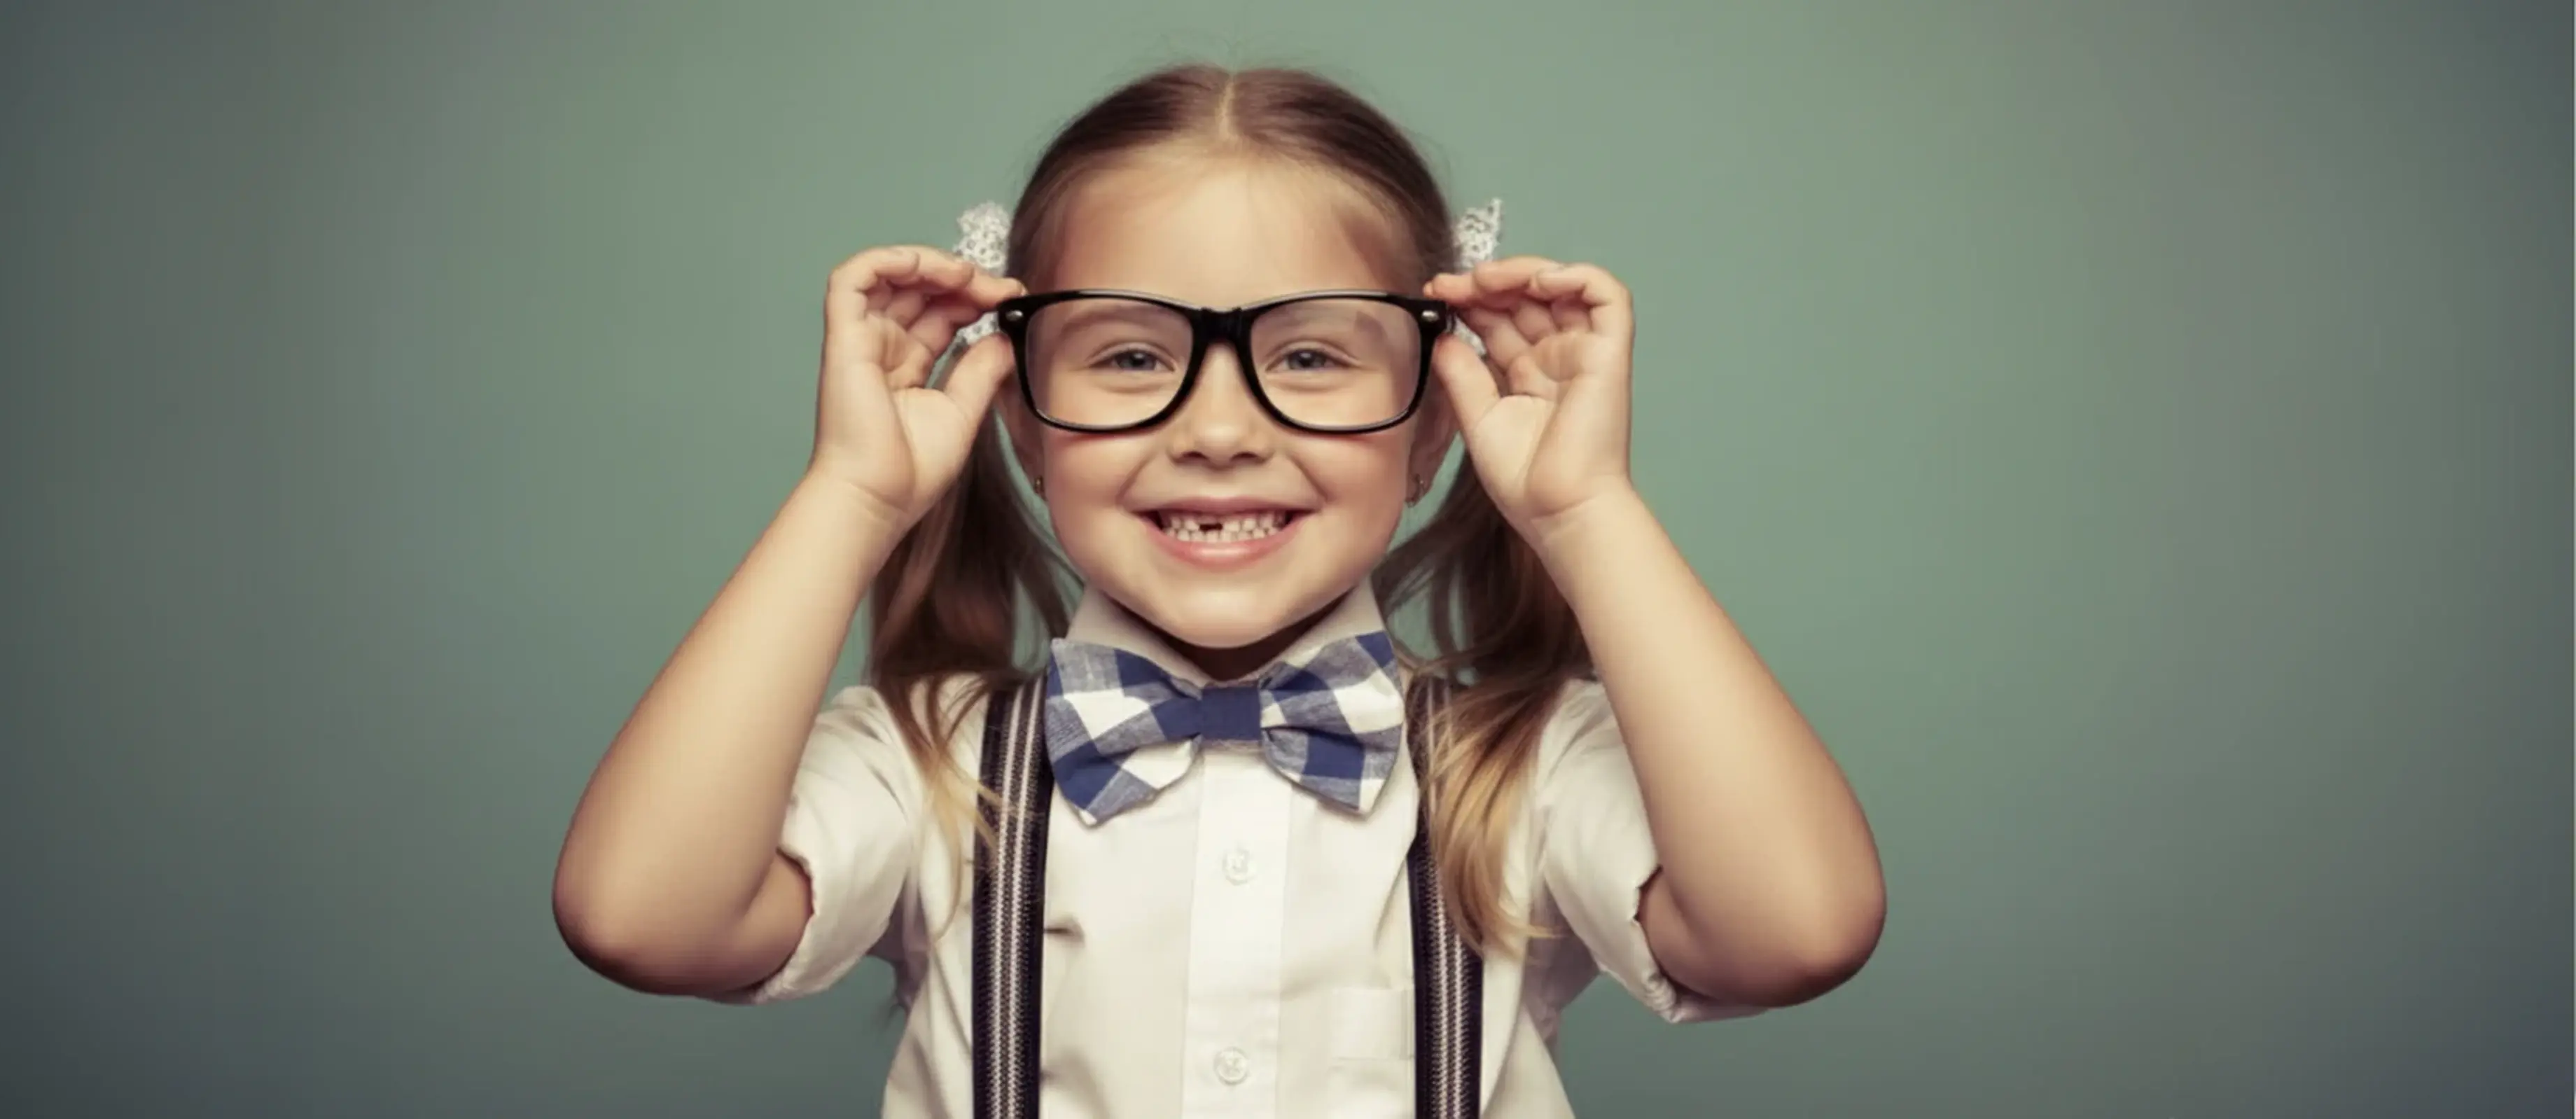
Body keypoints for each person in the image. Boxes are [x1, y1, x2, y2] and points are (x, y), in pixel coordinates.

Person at [553, 62, 1886, 1118]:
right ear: (1019, 417)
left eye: (1309, 356)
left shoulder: (1521, 766)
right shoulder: (932, 759)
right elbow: (644, 919)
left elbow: (1794, 931)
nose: (1219, 426)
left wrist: (1585, 512)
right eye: (1132, 356)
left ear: (1434, 426)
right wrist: (852, 495)